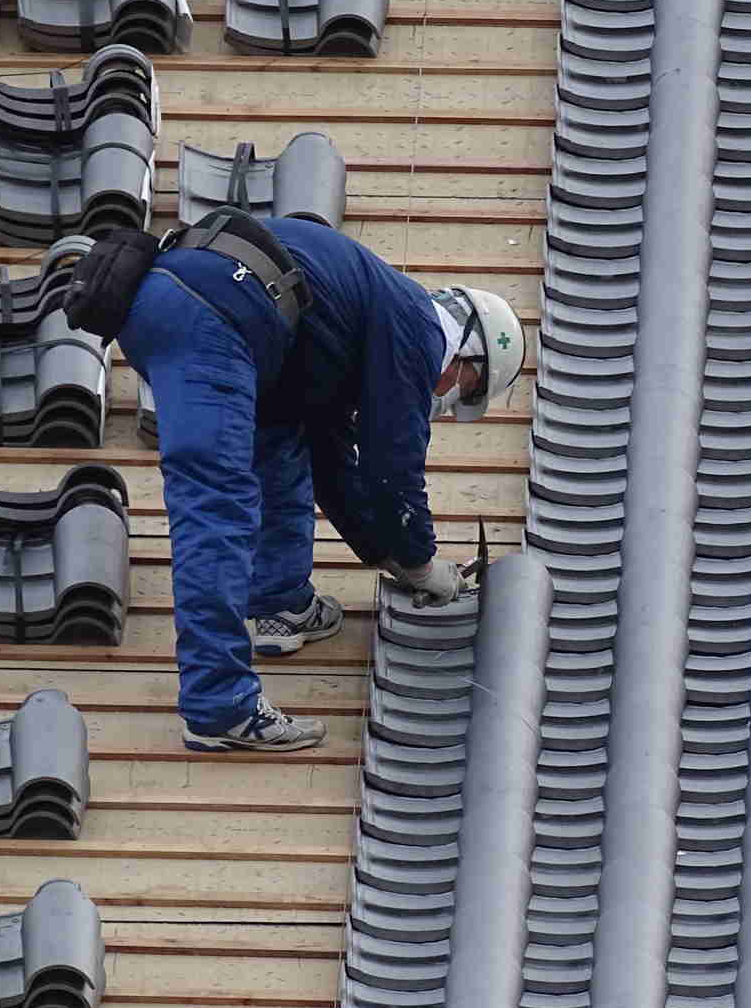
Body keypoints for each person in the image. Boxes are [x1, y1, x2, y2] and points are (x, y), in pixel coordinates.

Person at [118, 209, 524, 754]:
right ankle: (219, 707)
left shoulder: (359, 332)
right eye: (469, 385)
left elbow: (335, 469)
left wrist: (392, 557)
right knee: (217, 509)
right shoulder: (419, 329)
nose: (451, 394)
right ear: (467, 347)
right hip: (212, 320)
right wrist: (424, 562)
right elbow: (391, 464)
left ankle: (277, 604)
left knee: (285, 443)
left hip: (185, 303)